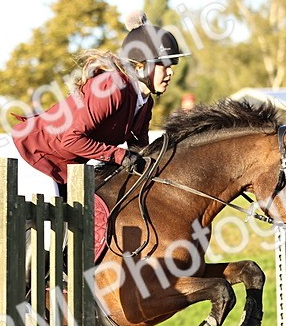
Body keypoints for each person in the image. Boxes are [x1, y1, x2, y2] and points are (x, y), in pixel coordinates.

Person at [11, 11, 187, 195]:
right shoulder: (112, 88)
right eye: (164, 65)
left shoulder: (144, 102)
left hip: (65, 167)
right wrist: (121, 155)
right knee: (52, 223)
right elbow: (71, 140)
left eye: (172, 66)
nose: (170, 73)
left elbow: (138, 147)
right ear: (140, 66)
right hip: (35, 156)